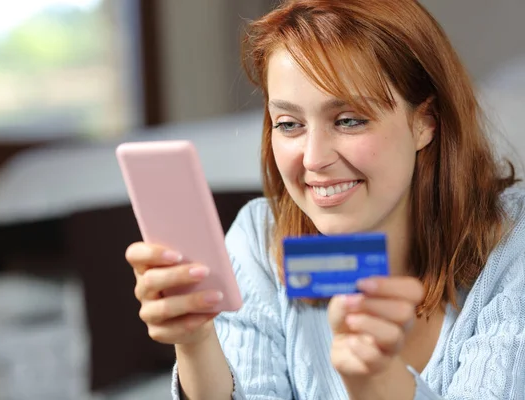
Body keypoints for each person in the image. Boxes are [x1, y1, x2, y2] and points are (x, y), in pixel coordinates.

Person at [125, 0, 525, 398]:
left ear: (425, 122)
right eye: (289, 124)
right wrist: (196, 344)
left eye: (349, 120)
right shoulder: (259, 241)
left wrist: (376, 382)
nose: (314, 159)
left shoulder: (514, 250)